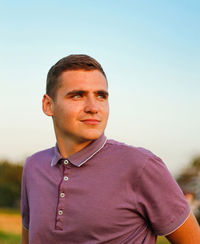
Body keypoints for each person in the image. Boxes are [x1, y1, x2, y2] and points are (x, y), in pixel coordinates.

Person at [21, 54, 200, 244]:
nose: (93, 107)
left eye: (101, 96)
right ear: (48, 105)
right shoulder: (34, 166)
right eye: (78, 95)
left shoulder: (141, 166)